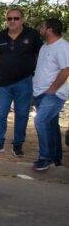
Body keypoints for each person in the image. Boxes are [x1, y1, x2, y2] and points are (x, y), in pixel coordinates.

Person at [0, 8, 42, 156]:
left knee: (22, 114)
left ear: (22, 20)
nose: (12, 21)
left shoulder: (32, 35)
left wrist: (27, 68)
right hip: (3, 84)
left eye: (16, 18)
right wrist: (8, 65)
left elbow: (38, 55)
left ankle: (18, 145)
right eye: (9, 18)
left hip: (24, 82)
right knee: (0, 114)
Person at [31, 18, 69, 171]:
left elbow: (66, 70)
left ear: (50, 30)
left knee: (40, 121)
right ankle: (56, 159)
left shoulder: (63, 47)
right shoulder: (45, 47)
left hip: (53, 94)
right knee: (52, 125)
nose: (40, 29)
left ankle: (45, 158)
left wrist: (52, 89)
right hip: (40, 93)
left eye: (42, 26)